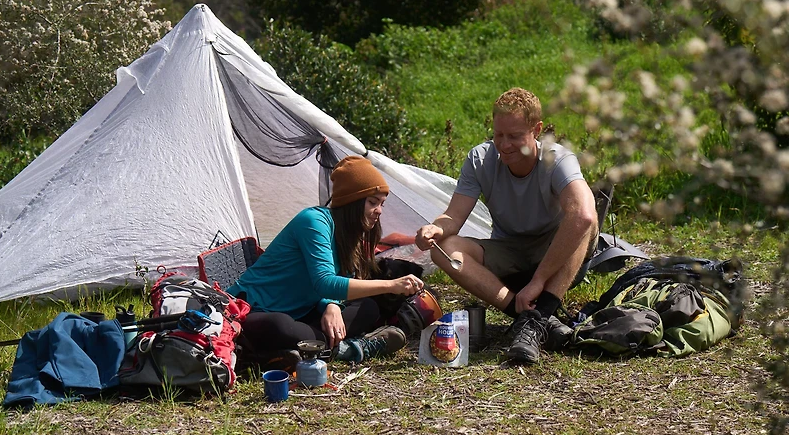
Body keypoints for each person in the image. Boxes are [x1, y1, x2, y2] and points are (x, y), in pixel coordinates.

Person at [415, 88, 598, 364]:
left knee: (588, 220)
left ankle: (538, 318)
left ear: (536, 130)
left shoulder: (558, 159)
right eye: (498, 135)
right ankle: (526, 315)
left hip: (556, 254)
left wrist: (538, 281)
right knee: (445, 249)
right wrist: (436, 229)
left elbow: (583, 215)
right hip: (509, 252)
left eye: (514, 136)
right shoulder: (480, 160)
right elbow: (453, 217)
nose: (505, 144)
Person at [228, 155, 425, 368]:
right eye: (373, 202)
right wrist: (392, 285)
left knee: (368, 308)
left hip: (303, 310)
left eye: (382, 204)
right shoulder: (313, 221)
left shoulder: (352, 235)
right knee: (280, 327)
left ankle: (298, 352)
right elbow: (324, 282)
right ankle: (345, 350)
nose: (379, 211)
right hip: (255, 310)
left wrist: (331, 305)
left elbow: (338, 284)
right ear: (353, 201)